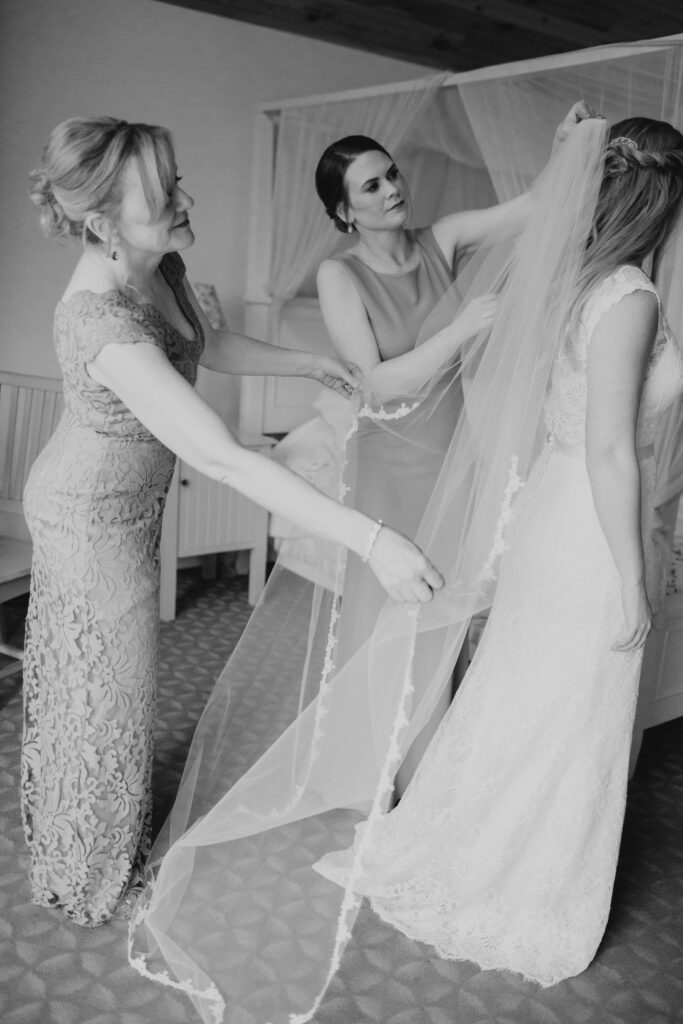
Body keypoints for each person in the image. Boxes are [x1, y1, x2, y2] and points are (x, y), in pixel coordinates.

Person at [21, 116, 444, 928]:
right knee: (103, 692)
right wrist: (371, 537)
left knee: (116, 686)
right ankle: (88, 875)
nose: (186, 198)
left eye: (178, 178)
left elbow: (204, 339)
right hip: (87, 516)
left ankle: (104, 833)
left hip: (133, 504)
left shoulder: (158, 265)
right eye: (163, 192)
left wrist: (306, 361)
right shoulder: (97, 322)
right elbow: (220, 457)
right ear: (103, 223)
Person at [315, 115, 683, 986]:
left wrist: (562, 156)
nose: (389, 189)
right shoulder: (627, 295)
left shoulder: (586, 280)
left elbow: (608, 422)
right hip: (586, 524)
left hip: (557, 512)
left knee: (531, 693)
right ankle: (515, 878)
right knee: (563, 703)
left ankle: (480, 838)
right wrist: (634, 580)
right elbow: (608, 445)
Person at [313, 107, 584, 791]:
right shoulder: (338, 277)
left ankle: (435, 764)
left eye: (391, 174)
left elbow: (530, 207)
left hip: (449, 453)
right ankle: (376, 771)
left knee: (445, 607)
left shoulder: (442, 238)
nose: (391, 190)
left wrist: (559, 146)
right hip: (387, 461)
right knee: (388, 612)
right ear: (344, 214)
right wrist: (459, 329)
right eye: (369, 187)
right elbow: (372, 381)